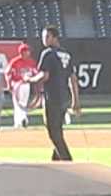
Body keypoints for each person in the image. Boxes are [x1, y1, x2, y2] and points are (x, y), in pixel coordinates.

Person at [24, 26, 81, 161]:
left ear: (54, 37)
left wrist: (29, 79)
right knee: (58, 131)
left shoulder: (48, 53)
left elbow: (44, 76)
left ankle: (68, 161)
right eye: (43, 37)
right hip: (64, 98)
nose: (44, 39)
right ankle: (56, 161)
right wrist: (75, 101)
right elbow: (72, 79)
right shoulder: (66, 54)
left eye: (47, 36)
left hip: (52, 98)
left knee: (53, 133)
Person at [5, 43, 38, 128]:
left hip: (26, 85)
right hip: (16, 84)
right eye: (27, 51)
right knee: (17, 103)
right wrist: (9, 84)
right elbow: (7, 73)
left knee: (23, 103)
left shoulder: (31, 62)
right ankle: (20, 121)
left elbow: (36, 73)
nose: (29, 52)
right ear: (22, 52)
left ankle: (21, 120)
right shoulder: (15, 61)